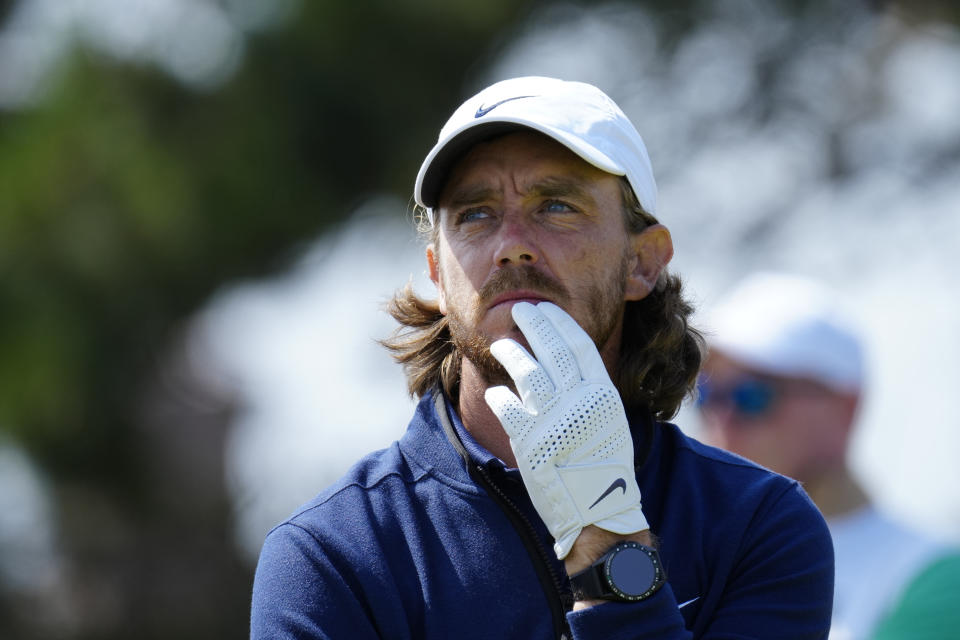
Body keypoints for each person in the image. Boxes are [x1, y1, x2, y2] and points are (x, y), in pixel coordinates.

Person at [250, 77, 834, 639]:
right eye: (474, 214)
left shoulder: (761, 525)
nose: (511, 246)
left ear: (643, 262)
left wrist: (604, 541)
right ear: (438, 274)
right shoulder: (329, 554)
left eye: (556, 206)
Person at [697, 271, 960, 640]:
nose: (723, 419)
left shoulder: (933, 576)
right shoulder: (682, 554)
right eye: (709, 393)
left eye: (752, 395)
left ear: (845, 408)